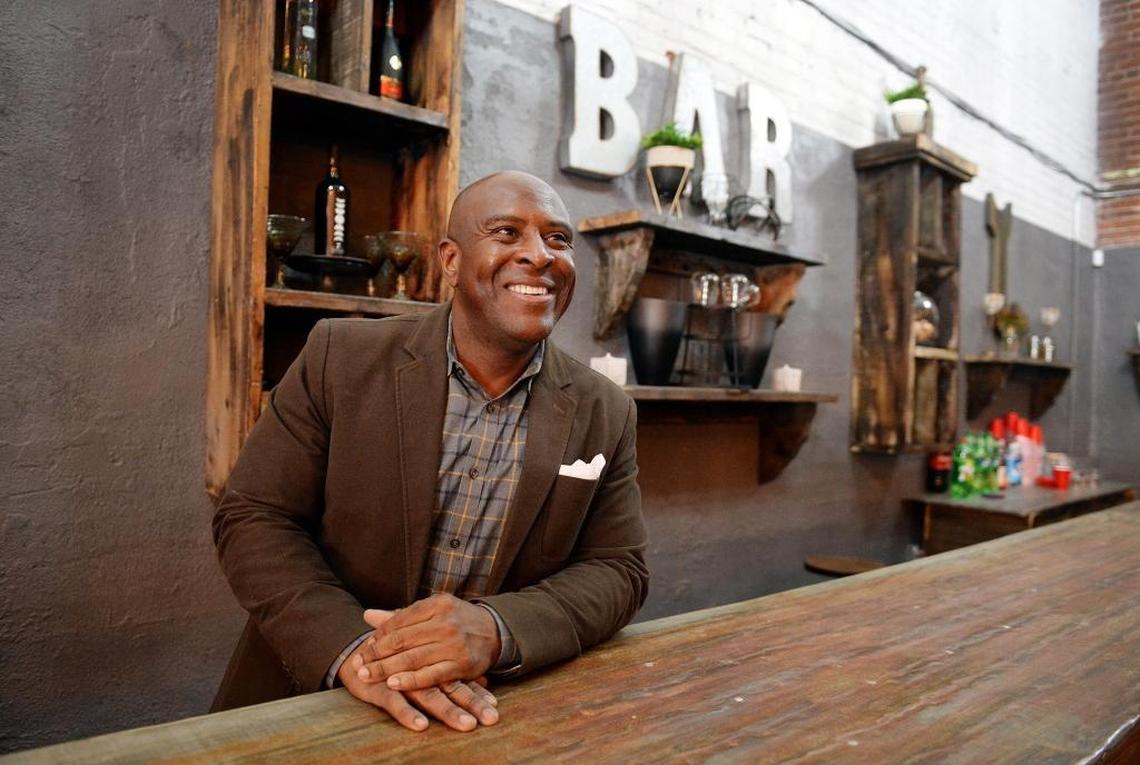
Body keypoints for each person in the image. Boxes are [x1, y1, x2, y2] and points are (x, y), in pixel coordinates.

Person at [211, 171, 649, 732]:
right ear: (450, 261)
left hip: (488, 712)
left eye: (557, 239)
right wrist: (355, 651)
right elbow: (253, 516)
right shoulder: (338, 357)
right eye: (506, 232)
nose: (539, 256)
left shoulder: (605, 410)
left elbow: (618, 568)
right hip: (311, 696)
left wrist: (494, 630)